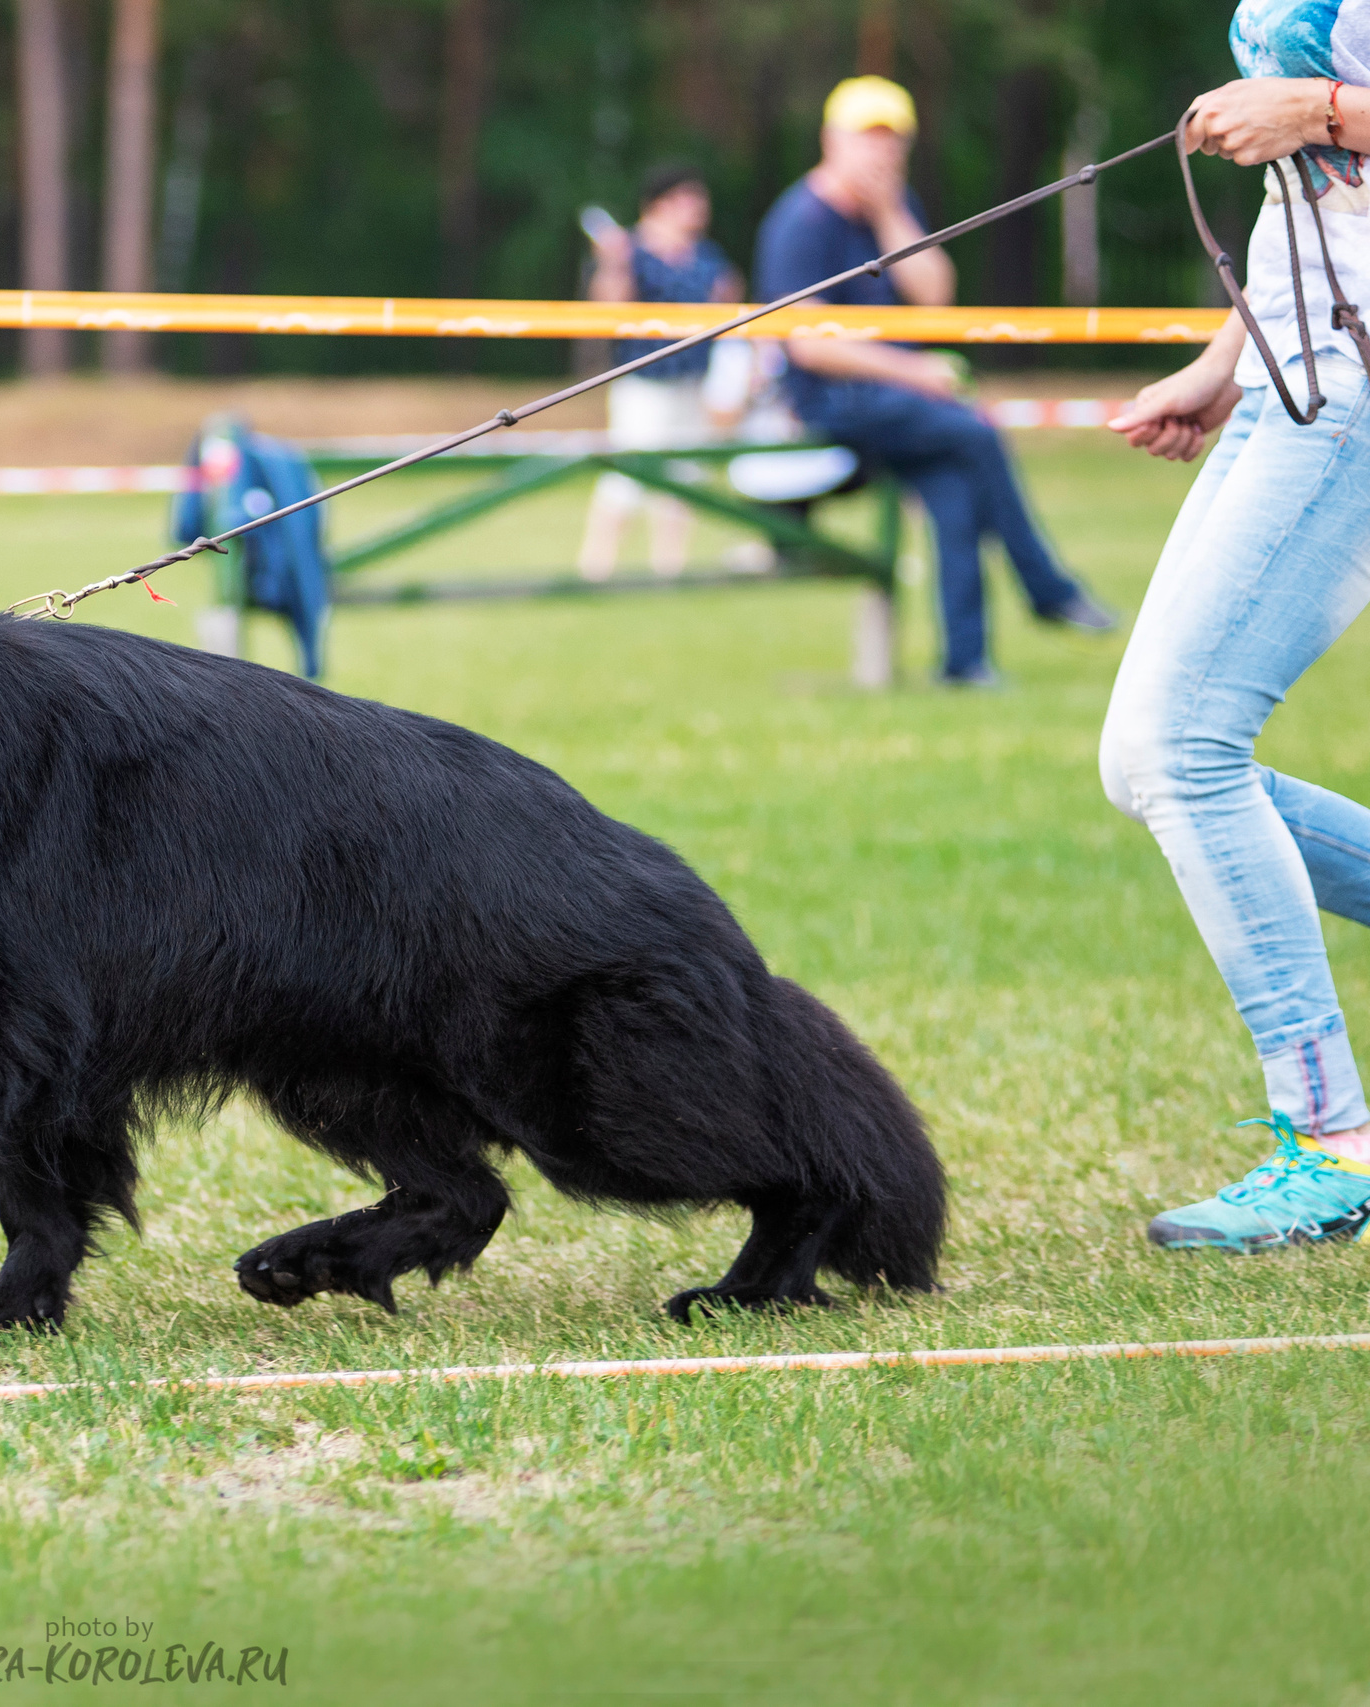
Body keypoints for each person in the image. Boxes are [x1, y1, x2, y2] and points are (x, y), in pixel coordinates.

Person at [1101, 0, 1370, 1252]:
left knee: (1179, 748)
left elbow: (1319, 133)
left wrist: (1319, 109)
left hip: (1357, 386)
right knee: (1141, 761)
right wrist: (1224, 363)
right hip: (1290, 368)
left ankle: (1332, 1141)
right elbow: (1313, 198)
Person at [753, 76, 1116, 685]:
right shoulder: (801, 220)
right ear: (830, 140)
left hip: (894, 399)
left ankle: (966, 664)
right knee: (974, 432)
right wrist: (915, 371)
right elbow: (808, 347)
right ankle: (1046, 588)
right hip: (827, 402)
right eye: (867, 138)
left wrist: (891, 212)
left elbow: (935, 297)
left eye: (892, 140)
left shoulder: (896, 211)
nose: (881, 153)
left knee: (954, 489)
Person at [577, 163, 742, 579]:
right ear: (660, 204)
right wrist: (613, 264)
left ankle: (670, 570)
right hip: (643, 385)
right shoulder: (629, 250)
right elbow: (607, 312)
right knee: (626, 480)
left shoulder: (706, 255)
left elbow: (729, 303)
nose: (699, 207)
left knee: (684, 479)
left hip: (692, 381)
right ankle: (597, 569)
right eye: (688, 197)